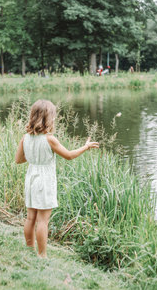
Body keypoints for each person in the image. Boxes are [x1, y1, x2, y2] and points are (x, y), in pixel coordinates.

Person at [15, 100, 99, 257]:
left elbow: (18, 160)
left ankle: (29, 249)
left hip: (31, 178)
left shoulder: (25, 138)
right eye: (53, 116)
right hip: (44, 181)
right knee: (42, 221)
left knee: (30, 218)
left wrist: (35, 156)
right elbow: (69, 155)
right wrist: (86, 146)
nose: (54, 119)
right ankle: (42, 255)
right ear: (48, 118)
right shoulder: (49, 139)